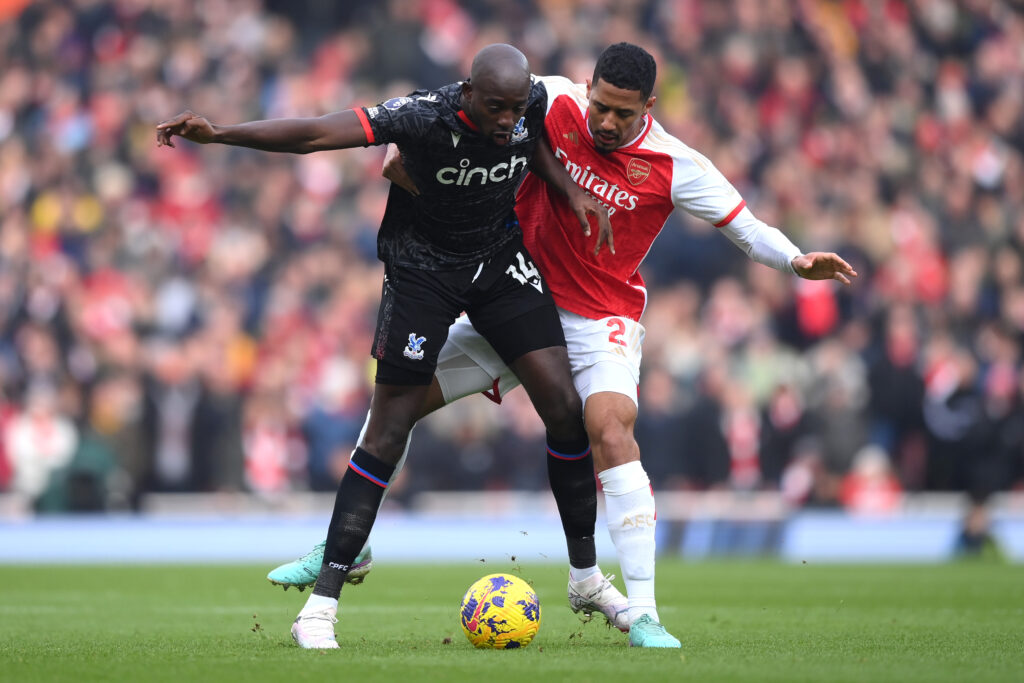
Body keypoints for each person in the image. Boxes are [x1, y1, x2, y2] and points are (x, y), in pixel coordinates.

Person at [267, 42, 858, 649]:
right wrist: (409, 144)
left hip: (597, 317)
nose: (605, 122)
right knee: (392, 412)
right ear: (587, 86)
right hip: (514, 298)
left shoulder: (676, 164)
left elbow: (745, 228)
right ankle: (347, 543)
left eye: (622, 115)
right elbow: (465, 99)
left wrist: (794, 259)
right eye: (600, 105)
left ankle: (643, 610)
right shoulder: (549, 98)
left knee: (607, 428)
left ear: (648, 108)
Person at [157, 44, 621, 650]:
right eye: (495, 107)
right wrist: (221, 134)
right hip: (421, 272)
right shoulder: (420, 116)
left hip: (496, 261)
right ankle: (320, 607)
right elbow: (315, 135)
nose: (508, 118)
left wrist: (569, 192)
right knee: (388, 428)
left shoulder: (528, 102)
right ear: (468, 94)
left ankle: (585, 576)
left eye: (514, 107)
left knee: (564, 406)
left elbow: (530, 142)